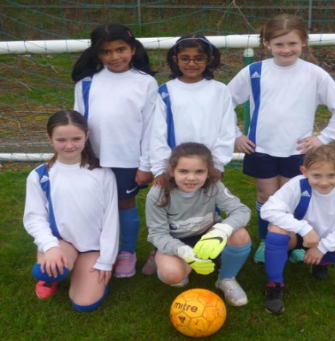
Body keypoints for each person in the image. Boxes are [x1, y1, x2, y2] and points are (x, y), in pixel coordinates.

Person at [227, 14, 335, 264]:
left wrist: (324, 138)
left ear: (303, 43)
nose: (286, 49)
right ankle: (266, 239)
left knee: (292, 197)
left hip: (297, 151)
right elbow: (224, 102)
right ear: (267, 44)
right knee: (266, 196)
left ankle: (292, 240)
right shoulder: (253, 72)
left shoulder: (314, 74)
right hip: (260, 148)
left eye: (292, 43)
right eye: (279, 44)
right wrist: (235, 134)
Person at [143, 34, 236, 275]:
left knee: (206, 203)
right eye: (185, 58)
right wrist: (162, 169)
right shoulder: (166, 91)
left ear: (209, 59)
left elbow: (226, 130)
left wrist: (218, 164)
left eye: (198, 58)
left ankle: (207, 246)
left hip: (206, 166)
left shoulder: (219, 90)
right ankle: (164, 248)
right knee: (171, 204)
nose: (192, 63)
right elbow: (158, 133)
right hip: (177, 167)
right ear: (175, 59)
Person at [72, 24, 159, 278]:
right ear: (97, 55)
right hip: (93, 159)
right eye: (106, 52)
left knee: (124, 203)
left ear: (132, 49)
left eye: (120, 49)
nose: (114, 57)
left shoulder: (145, 83)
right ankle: (97, 250)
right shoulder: (86, 84)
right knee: (93, 206)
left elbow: (150, 127)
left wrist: (146, 165)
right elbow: (78, 122)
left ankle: (127, 252)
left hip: (128, 159)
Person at [23, 110, 119, 312]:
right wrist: (50, 246)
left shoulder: (103, 174)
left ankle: (84, 272)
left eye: (76, 138)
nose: (69, 145)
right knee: (46, 271)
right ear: (50, 138)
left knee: (84, 303)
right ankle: (51, 277)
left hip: (92, 248)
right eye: (61, 139)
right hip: (62, 244)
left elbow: (111, 220)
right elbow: (34, 218)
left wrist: (106, 261)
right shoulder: (40, 176)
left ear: (87, 136)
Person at [260, 145, 335, 314]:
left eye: (331, 175)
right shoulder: (297, 185)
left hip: (327, 238)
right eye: (317, 175)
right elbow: (268, 210)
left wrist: (322, 247)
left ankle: (322, 259)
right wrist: (304, 229)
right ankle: (275, 284)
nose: (324, 182)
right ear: (304, 171)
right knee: (276, 231)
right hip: (297, 236)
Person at [146, 143, 252, 307]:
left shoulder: (214, 186)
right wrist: (182, 251)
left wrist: (221, 231)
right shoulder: (158, 193)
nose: (191, 178)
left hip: (208, 235)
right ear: (171, 170)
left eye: (199, 171)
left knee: (240, 235)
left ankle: (226, 278)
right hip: (177, 241)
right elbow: (157, 234)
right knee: (174, 276)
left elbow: (242, 211)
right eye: (183, 171)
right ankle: (176, 265)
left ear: (208, 171)